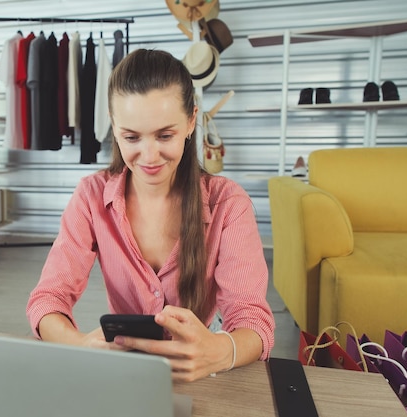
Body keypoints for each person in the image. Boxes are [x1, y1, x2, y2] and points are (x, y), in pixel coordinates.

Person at [26, 48, 275, 382]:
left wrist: (220, 351)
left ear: (190, 122)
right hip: (127, 374)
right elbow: (48, 300)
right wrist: (79, 344)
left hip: (207, 370)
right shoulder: (90, 197)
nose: (149, 155)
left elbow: (251, 319)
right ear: (114, 128)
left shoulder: (228, 203)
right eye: (131, 137)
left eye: (165, 135)